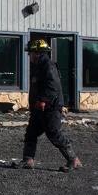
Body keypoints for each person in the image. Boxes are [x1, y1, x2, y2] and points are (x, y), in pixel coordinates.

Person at [17, 39, 82, 172]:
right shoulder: (38, 66)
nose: (29, 56)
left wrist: (42, 100)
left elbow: (52, 86)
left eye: (31, 53)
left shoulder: (48, 66)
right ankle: (28, 160)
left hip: (50, 108)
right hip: (39, 108)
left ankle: (73, 160)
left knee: (54, 134)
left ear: (38, 53)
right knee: (31, 133)